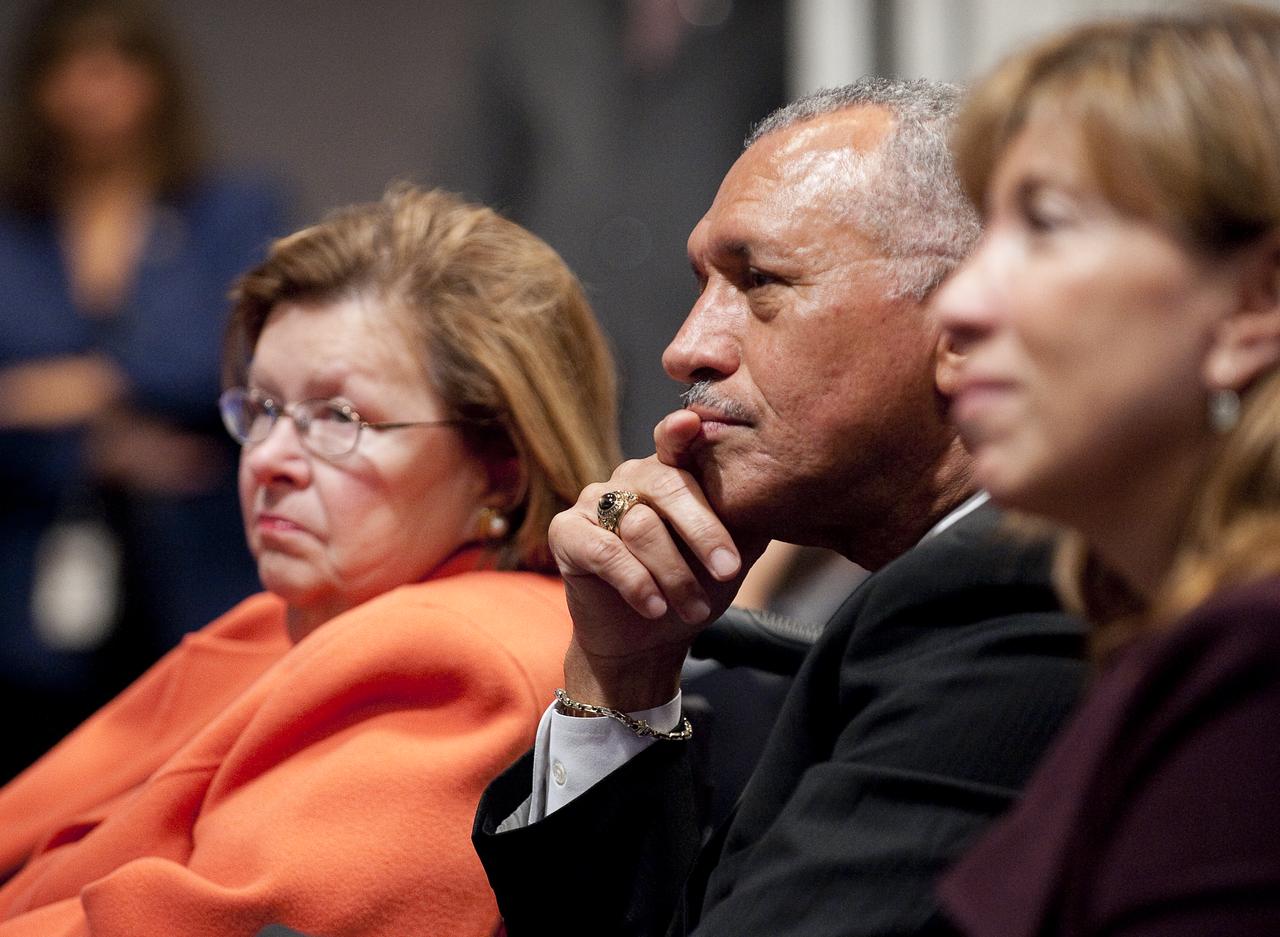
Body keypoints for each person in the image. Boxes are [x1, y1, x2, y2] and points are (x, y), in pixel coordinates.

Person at [473, 78, 1086, 937]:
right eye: (702, 285)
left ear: (965, 316)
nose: (688, 346)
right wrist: (621, 680)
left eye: (757, 280)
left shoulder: (1012, 593)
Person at [0, 185, 620, 937]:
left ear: (499, 466)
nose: (269, 458)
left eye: (338, 417)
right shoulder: (295, 616)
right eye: (260, 409)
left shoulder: (455, 661)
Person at [929, 6, 1280, 935]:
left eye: (1044, 226)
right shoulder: (1163, 633)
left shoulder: (1259, 664)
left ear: (1257, 301)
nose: (958, 304)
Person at [0, 0, 286, 780]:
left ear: (156, 79)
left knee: (182, 785)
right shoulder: (14, 226)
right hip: (28, 566)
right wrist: (100, 446)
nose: (92, 91)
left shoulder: (230, 210)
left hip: (196, 559)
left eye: (113, 65)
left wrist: (77, 387)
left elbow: (229, 353)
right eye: (69, 68)